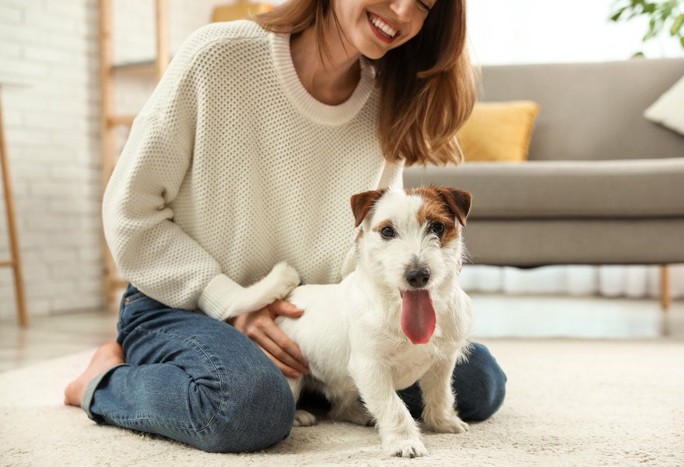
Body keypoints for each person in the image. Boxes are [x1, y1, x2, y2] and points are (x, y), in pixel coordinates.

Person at [65, 0, 506, 453]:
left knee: (477, 384)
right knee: (249, 407)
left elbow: (372, 248)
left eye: (424, 3)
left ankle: (324, 392)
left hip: (306, 316)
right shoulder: (218, 57)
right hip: (182, 304)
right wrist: (232, 302)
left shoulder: (388, 97)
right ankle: (101, 382)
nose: (400, 10)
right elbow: (130, 212)